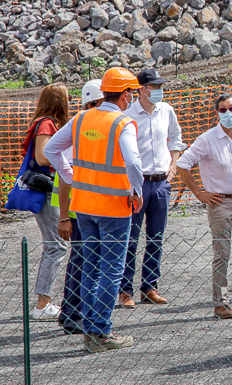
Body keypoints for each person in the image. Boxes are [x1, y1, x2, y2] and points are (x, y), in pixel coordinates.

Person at [45, 67, 144, 353]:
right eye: (133, 93)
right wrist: (136, 192)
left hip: (84, 206)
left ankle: (90, 330)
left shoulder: (82, 118)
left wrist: (71, 177)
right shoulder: (121, 123)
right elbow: (134, 164)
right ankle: (101, 332)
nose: (133, 98)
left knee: (90, 268)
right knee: (111, 270)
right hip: (113, 208)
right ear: (124, 95)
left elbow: (53, 150)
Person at [178, 93, 232, 319]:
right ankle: (221, 303)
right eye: (223, 109)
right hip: (220, 203)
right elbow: (182, 165)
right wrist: (200, 193)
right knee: (222, 253)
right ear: (216, 113)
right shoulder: (207, 139)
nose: (228, 113)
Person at [119, 68, 185, 308]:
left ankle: (149, 287)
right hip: (137, 184)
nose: (159, 91)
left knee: (156, 237)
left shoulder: (166, 111)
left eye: (160, 87)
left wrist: (174, 163)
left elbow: (176, 139)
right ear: (141, 89)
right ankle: (125, 289)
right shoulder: (128, 114)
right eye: (154, 87)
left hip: (161, 184)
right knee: (131, 237)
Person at [56, 80, 103, 335]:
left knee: (86, 261)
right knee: (82, 261)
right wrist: (64, 217)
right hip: (80, 209)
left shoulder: (86, 124)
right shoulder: (83, 126)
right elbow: (66, 175)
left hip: (88, 208)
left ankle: (77, 312)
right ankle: (73, 313)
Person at [22, 84, 72, 322]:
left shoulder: (44, 122)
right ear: (59, 101)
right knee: (56, 245)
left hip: (48, 188)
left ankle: (44, 301)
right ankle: (43, 303)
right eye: (67, 98)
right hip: (48, 188)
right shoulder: (47, 123)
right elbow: (43, 156)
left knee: (54, 244)